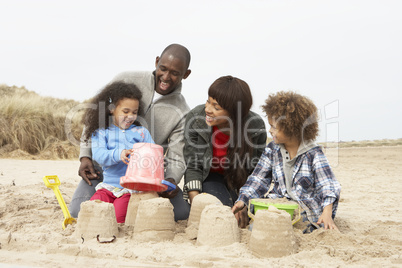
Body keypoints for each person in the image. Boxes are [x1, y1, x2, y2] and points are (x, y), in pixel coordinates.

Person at [70, 44, 192, 221]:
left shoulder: (182, 112)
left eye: (174, 73)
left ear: (185, 74)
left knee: (181, 213)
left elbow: (177, 156)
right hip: (106, 171)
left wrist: (171, 179)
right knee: (78, 211)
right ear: (157, 62)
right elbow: (95, 119)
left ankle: (130, 205)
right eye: (163, 69)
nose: (166, 77)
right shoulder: (127, 79)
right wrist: (85, 157)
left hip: (143, 177)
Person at [232, 91, 341, 233]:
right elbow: (258, 179)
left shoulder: (313, 153)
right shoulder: (272, 150)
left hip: (305, 210)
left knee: (301, 229)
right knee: (259, 225)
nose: (270, 131)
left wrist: (327, 213)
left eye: (274, 127)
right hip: (279, 204)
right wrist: (243, 199)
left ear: (292, 127)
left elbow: (328, 185)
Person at [183, 75, 267, 228]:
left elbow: (257, 172)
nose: (207, 109)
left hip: (239, 179)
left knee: (239, 214)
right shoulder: (195, 119)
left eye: (216, 107)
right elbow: (193, 165)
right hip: (210, 176)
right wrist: (196, 203)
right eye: (208, 101)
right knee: (222, 211)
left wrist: (245, 202)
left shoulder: (255, 126)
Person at [83, 81, 154, 223]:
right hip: (107, 187)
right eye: (125, 112)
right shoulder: (101, 132)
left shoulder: (141, 132)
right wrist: (118, 154)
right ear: (112, 109)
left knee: (117, 218)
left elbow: (152, 155)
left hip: (129, 190)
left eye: (134, 112)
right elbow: (99, 155)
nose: (131, 116)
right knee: (91, 210)